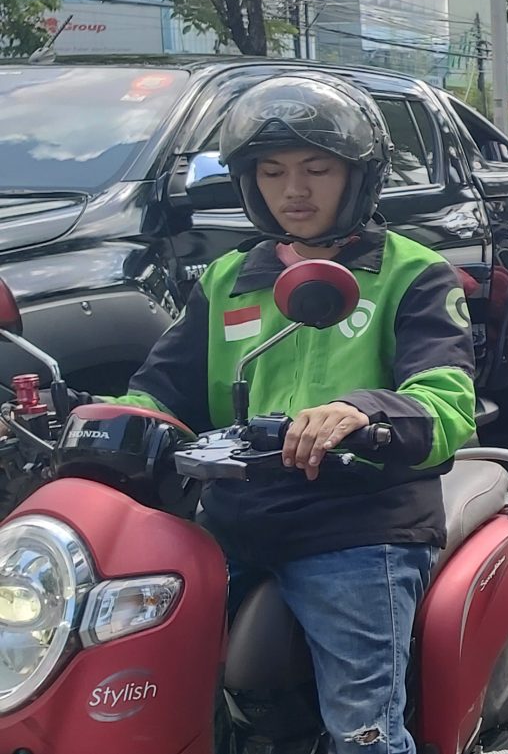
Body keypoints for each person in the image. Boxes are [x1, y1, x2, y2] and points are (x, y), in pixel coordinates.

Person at [110, 72, 476, 754]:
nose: (295, 191)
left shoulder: (412, 273)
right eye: (272, 172)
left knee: (362, 730)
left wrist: (357, 411)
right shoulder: (229, 279)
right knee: (135, 680)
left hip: (359, 524)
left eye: (317, 169)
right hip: (231, 521)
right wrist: (101, 420)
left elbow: (446, 405)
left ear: (357, 176)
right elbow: (159, 389)